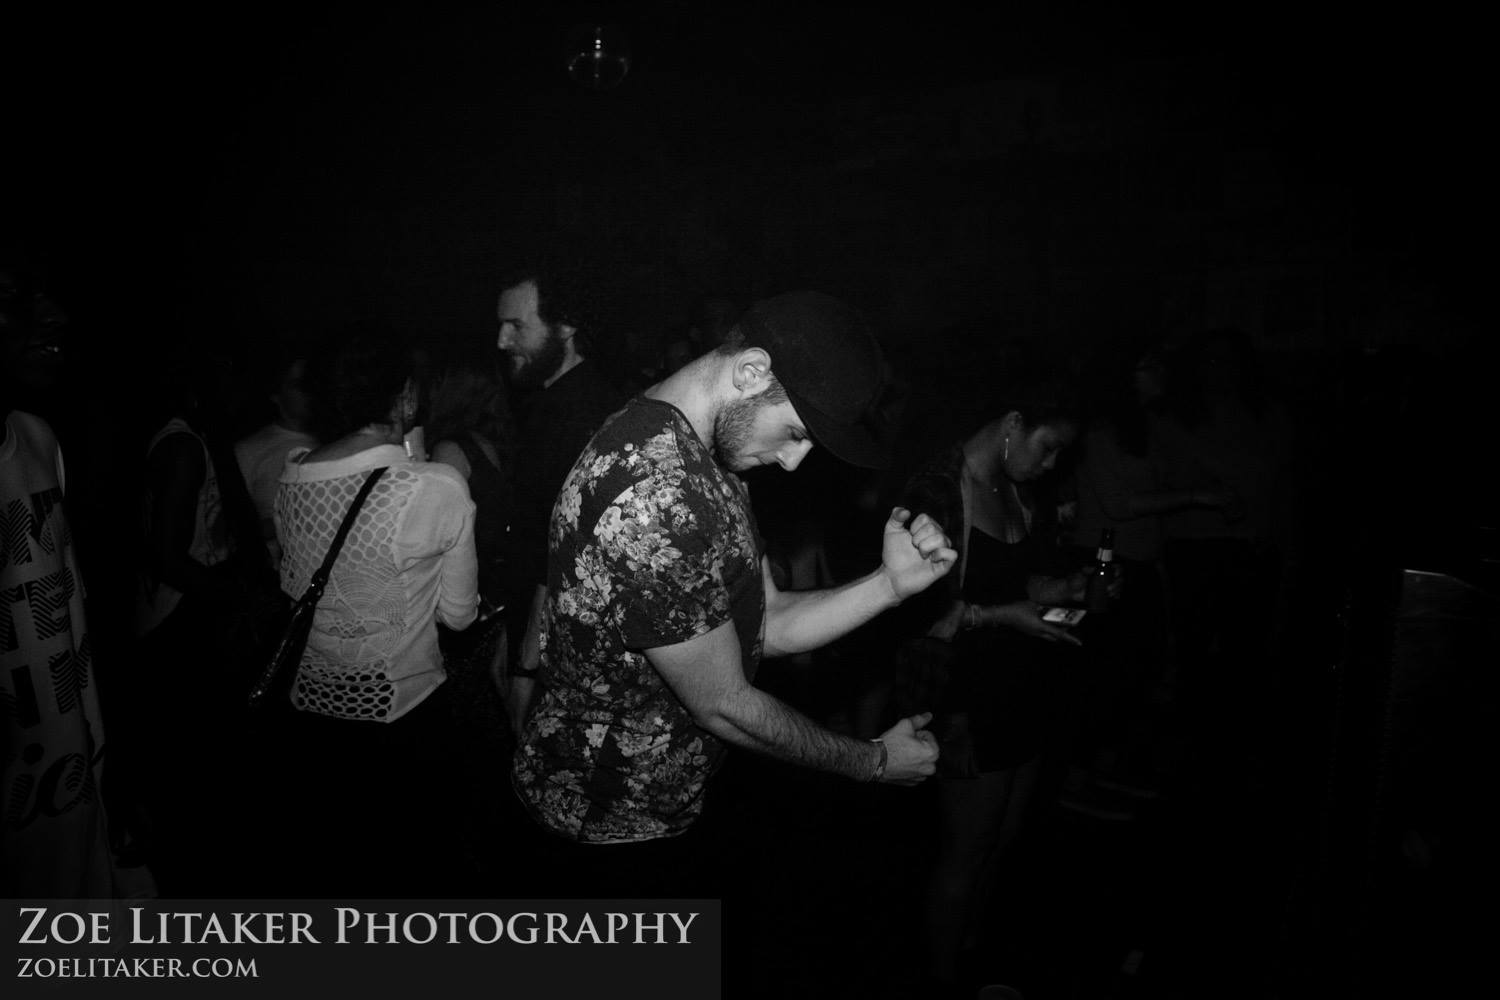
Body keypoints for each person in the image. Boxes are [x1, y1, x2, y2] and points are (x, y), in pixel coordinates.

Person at [509, 291, 953, 897]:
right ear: (750, 372)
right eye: (795, 433)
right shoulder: (654, 497)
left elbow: (765, 625)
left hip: (670, 805)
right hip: (607, 825)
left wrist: (888, 585)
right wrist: (874, 761)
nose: (794, 462)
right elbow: (722, 703)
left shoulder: (707, 453)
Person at [896, 377, 1101, 991]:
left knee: (1003, 838)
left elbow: (1011, 581)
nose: (1052, 463)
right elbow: (918, 617)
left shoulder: (1013, 488)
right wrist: (1002, 617)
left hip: (1020, 688)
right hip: (965, 699)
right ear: (1013, 423)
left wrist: (1063, 590)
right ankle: (942, 981)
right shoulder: (936, 492)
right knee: (967, 848)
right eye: (1048, 446)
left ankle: (972, 956)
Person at [268, 324, 478, 895]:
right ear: (406, 395)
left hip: (314, 712)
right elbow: (459, 616)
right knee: (411, 867)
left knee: (343, 865)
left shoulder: (293, 471)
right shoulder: (435, 484)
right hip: (403, 715)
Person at [1, 263, 122, 897]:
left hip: (69, 791)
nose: (54, 315)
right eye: (15, 294)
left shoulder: (36, 438)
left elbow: (69, 615)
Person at [495, 256, 624, 735]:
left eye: (516, 326)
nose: (502, 341)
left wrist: (526, 665)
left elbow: (561, 554)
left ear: (565, 327)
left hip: (555, 648)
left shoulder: (580, 415)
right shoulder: (548, 402)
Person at [233, 349, 318, 567]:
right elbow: (226, 532)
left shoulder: (337, 441)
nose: (308, 391)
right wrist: (281, 523)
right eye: (297, 384)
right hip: (277, 575)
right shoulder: (249, 451)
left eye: (311, 383)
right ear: (276, 394)